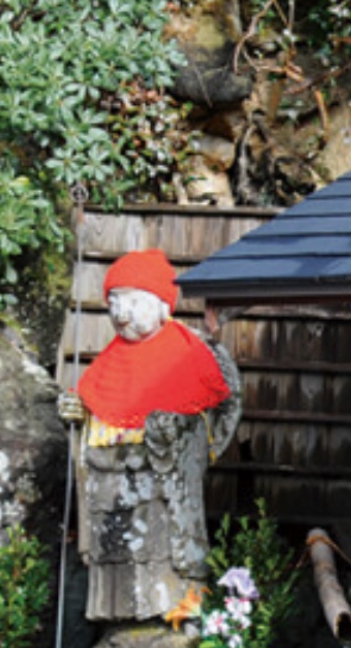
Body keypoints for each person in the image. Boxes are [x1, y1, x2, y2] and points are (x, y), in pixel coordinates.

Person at [57, 249, 240, 623]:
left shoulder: (188, 353)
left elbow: (216, 413)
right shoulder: (106, 362)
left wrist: (173, 433)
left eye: (134, 302)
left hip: (162, 487)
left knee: (165, 551)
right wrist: (78, 416)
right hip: (111, 490)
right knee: (116, 549)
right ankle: (117, 621)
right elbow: (94, 420)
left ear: (162, 306)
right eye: (113, 303)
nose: (121, 314)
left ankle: (173, 615)